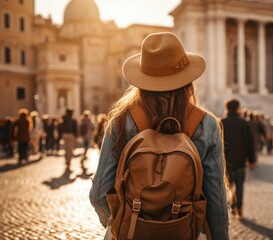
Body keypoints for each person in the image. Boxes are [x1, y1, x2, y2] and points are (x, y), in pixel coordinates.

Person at [89, 32, 229, 239]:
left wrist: (120, 223)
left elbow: (99, 195)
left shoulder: (120, 121)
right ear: (188, 81)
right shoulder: (207, 125)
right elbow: (216, 203)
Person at [221, 98, 255, 218]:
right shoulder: (243, 123)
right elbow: (249, 142)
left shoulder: (221, 122)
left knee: (228, 186)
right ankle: (239, 207)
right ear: (237, 108)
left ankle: (232, 204)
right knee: (240, 186)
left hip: (226, 160)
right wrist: (251, 160)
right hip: (240, 160)